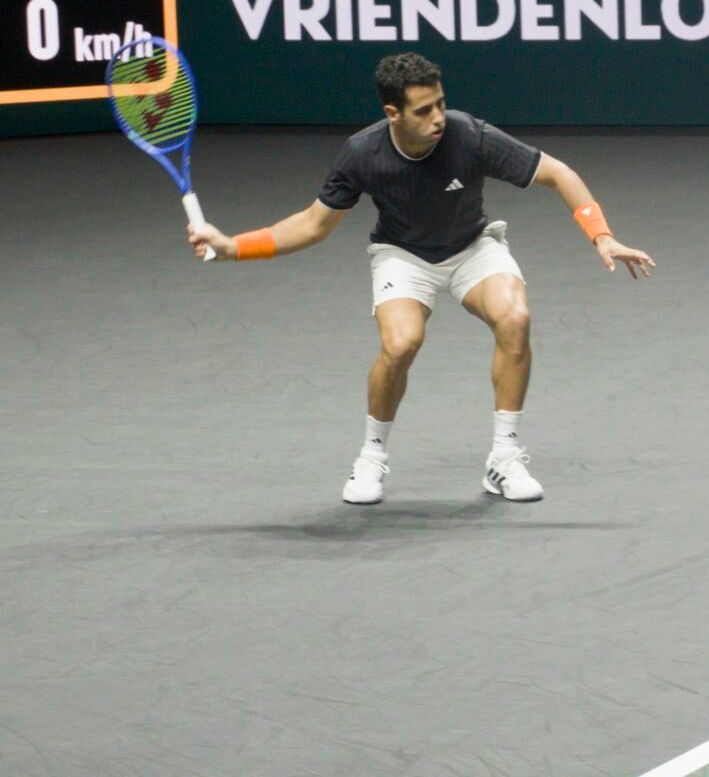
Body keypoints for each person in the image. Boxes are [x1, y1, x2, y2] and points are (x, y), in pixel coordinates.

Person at [188, 53, 655, 506]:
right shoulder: (363, 153)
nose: (438, 118)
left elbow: (558, 173)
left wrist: (602, 236)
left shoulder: (469, 135)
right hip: (403, 256)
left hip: (471, 246)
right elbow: (313, 224)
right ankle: (371, 457)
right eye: (423, 110)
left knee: (515, 318)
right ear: (393, 113)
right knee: (401, 344)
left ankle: (504, 458)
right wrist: (234, 247)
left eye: (441, 104)